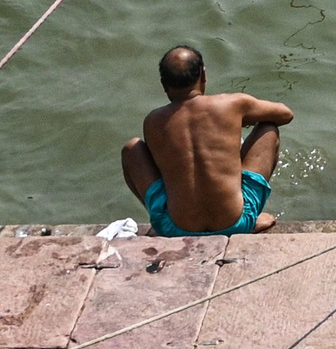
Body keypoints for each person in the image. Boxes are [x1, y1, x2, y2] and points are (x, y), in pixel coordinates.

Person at [119, 46, 291, 236]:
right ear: (203, 75)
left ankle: (161, 219)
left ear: (164, 84)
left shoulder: (153, 121)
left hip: (174, 228)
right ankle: (252, 219)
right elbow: (285, 114)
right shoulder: (232, 104)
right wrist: (242, 119)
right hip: (237, 223)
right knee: (268, 129)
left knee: (131, 149)